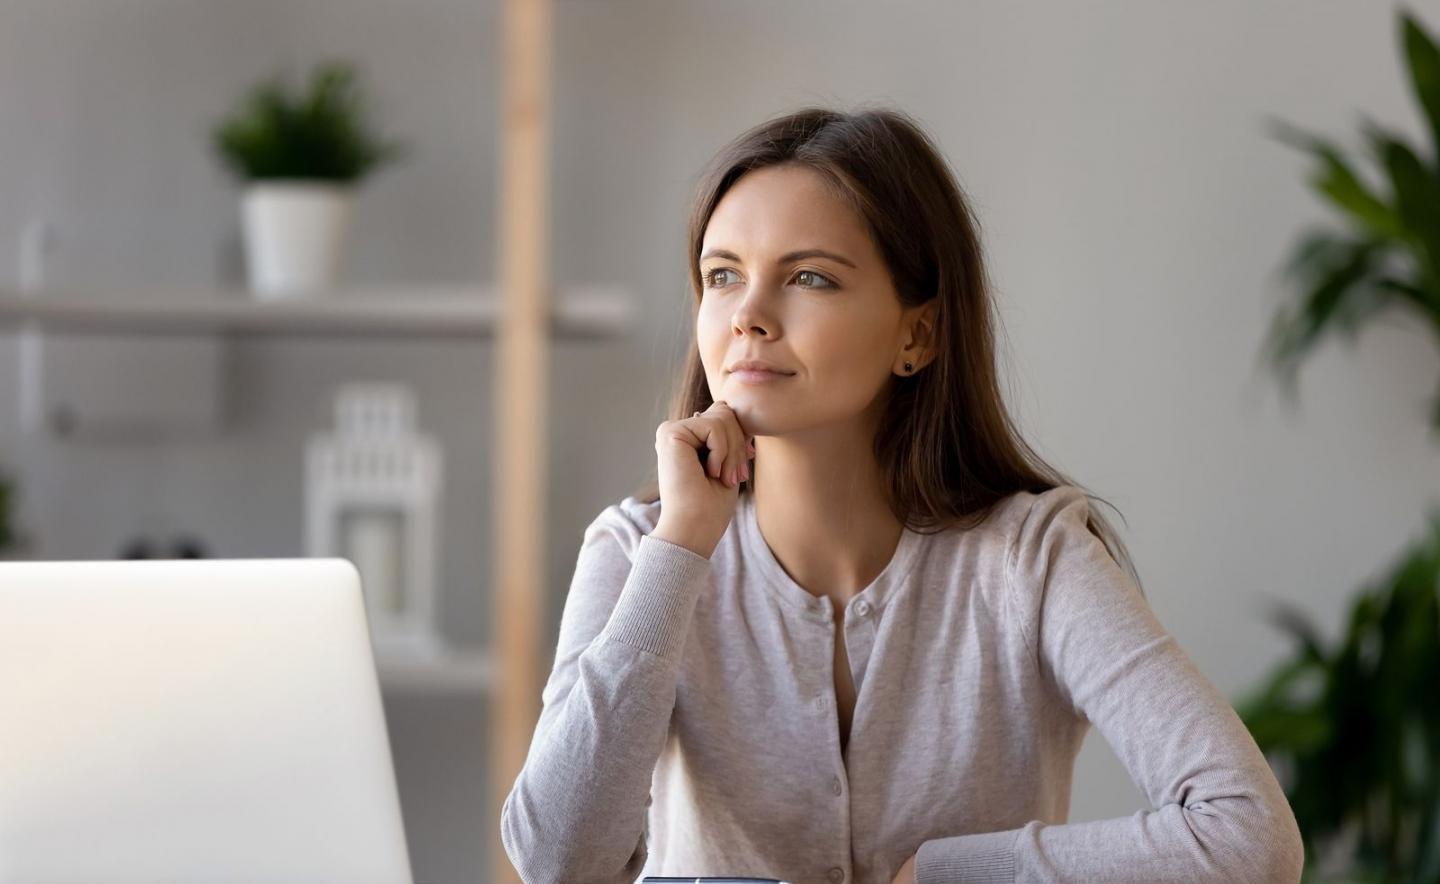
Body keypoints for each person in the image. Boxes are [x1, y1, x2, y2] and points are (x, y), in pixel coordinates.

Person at [500, 106, 1304, 884]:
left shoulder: (1032, 561)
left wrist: (954, 874)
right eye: (722, 277)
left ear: (917, 335)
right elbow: (558, 862)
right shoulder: (640, 554)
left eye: (809, 277)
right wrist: (678, 552)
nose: (748, 316)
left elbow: (1249, 836)